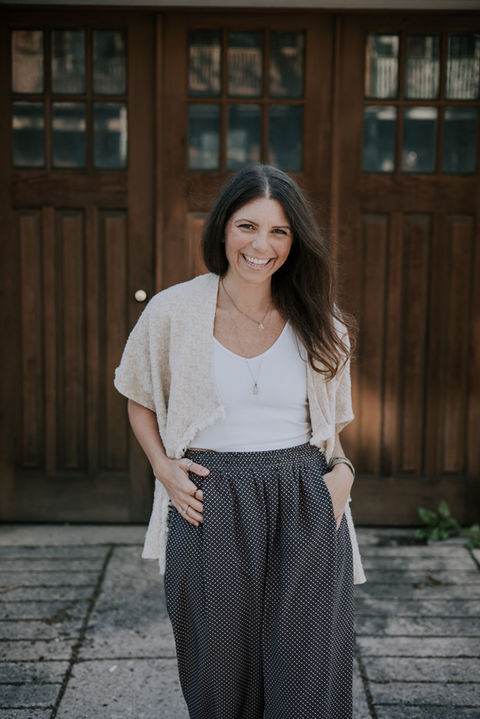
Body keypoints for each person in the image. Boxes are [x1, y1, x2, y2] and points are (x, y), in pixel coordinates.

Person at [114, 163, 367, 719]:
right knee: (217, 675)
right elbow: (139, 395)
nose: (262, 245)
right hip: (209, 503)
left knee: (306, 679)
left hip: (304, 500)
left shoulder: (321, 322)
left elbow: (334, 425)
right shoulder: (173, 311)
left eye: (279, 231)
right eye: (247, 226)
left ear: (295, 241)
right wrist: (161, 465)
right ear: (223, 229)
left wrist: (343, 475)